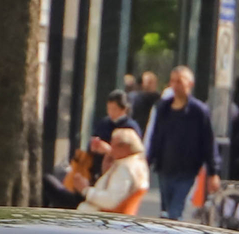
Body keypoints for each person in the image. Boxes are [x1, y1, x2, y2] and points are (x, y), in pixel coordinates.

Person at [144, 66, 214, 220]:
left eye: (180, 81)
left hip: (187, 171)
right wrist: (148, 160)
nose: (176, 85)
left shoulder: (199, 111)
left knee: (176, 212)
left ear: (190, 84)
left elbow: (208, 142)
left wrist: (213, 172)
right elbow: (156, 137)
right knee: (165, 212)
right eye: (173, 81)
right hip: (165, 168)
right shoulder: (163, 108)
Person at [79, 127, 150, 214]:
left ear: (125, 147)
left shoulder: (125, 169)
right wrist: (107, 152)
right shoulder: (136, 162)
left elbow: (111, 201)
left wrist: (85, 190)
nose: (111, 148)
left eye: (113, 145)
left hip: (98, 216)